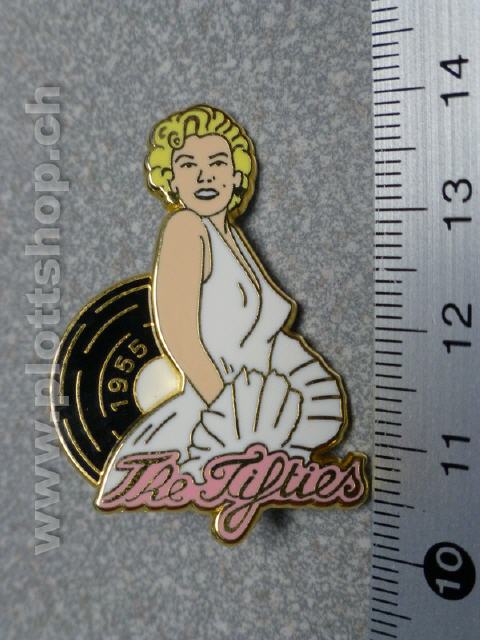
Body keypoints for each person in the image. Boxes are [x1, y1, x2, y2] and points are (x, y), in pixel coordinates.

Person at [99, 105, 346, 492]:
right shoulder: (186, 228)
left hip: (264, 412)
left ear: (236, 175)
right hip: (222, 414)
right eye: (188, 165)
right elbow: (179, 336)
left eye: (217, 162)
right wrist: (230, 414)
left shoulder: (231, 234)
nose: (205, 176)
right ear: (171, 179)